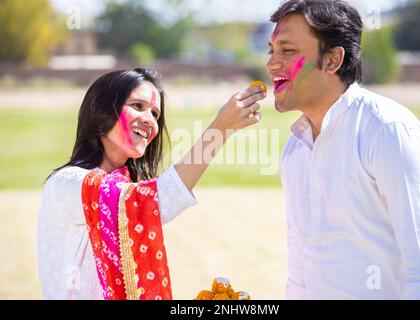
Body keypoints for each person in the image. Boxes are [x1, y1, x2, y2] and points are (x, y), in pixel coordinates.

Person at [267, 0, 420, 299]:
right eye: (271, 50)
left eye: (287, 51)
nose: (272, 63)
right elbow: (300, 273)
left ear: (332, 60)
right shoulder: (295, 148)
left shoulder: (389, 132)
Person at [37, 68, 265, 299]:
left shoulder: (121, 185)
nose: (149, 120)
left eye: (155, 114)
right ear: (101, 111)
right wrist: (221, 128)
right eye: (137, 106)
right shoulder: (67, 184)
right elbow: (153, 201)